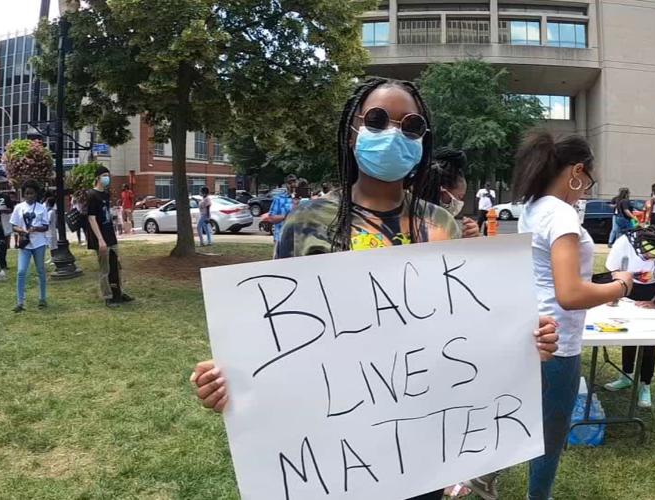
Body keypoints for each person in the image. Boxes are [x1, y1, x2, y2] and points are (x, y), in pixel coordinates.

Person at [189, 77, 560, 500]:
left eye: (411, 126)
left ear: (423, 141)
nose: (394, 134)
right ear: (352, 133)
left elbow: (467, 332)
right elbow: (274, 336)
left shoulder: (442, 226)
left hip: (424, 446)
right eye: (378, 120)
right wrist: (231, 381)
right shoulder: (308, 222)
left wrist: (524, 340)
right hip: (334, 449)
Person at [465, 131, 634, 500]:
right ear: (576, 170)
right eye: (588, 180)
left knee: (518, 413)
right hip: (557, 340)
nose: (587, 189)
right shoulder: (562, 214)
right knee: (550, 430)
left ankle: (483, 473)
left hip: (531, 328)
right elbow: (570, 293)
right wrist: (621, 286)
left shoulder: (533, 207)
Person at [603, 226, 655, 408]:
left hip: (654, 290)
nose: (650, 259)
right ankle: (626, 375)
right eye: (647, 255)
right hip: (628, 287)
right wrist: (615, 296)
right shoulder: (624, 243)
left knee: (649, 338)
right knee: (628, 333)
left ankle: (646, 384)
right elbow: (613, 272)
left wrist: (654, 302)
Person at [87, 166, 133, 307]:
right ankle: (108, 296)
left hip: (110, 235)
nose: (107, 178)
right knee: (105, 269)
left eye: (108, 175)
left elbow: (108, 214)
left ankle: (118, 292)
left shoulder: (105, 195)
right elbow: (91, 218)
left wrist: (122, 224)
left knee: (116, 266)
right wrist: (100, 240)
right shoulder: (91, 195)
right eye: (104, 175)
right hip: (100, 237)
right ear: (97, 177)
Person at [414, 147, 479, 238]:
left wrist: (465, 238)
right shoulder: (435, 225)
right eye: (459, 197)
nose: (460, 203)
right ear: (443, 191)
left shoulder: (409, 214)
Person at [10, 180, 51, 312]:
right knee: (21, 271)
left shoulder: (41, 208)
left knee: (40, 270)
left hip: (38, 243)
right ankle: (20, 302)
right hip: (25, 244)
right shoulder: (18, 208)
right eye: (27, 193)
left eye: (32, 193)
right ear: (23, 194)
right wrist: (21, 230)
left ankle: (42, 298)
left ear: (36, 194)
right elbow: (13, 226)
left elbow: (46, 226)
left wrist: (36, 229)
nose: (29, 196)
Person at [262, 174, 296, 256]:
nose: (292, 185)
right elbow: (271, 218)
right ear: (286, 184)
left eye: (294, 182)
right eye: (289, 183)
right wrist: (286, 216)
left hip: (298, 240)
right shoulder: (279, 199)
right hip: (281, 238)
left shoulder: (304, 199)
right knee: (279, 264)